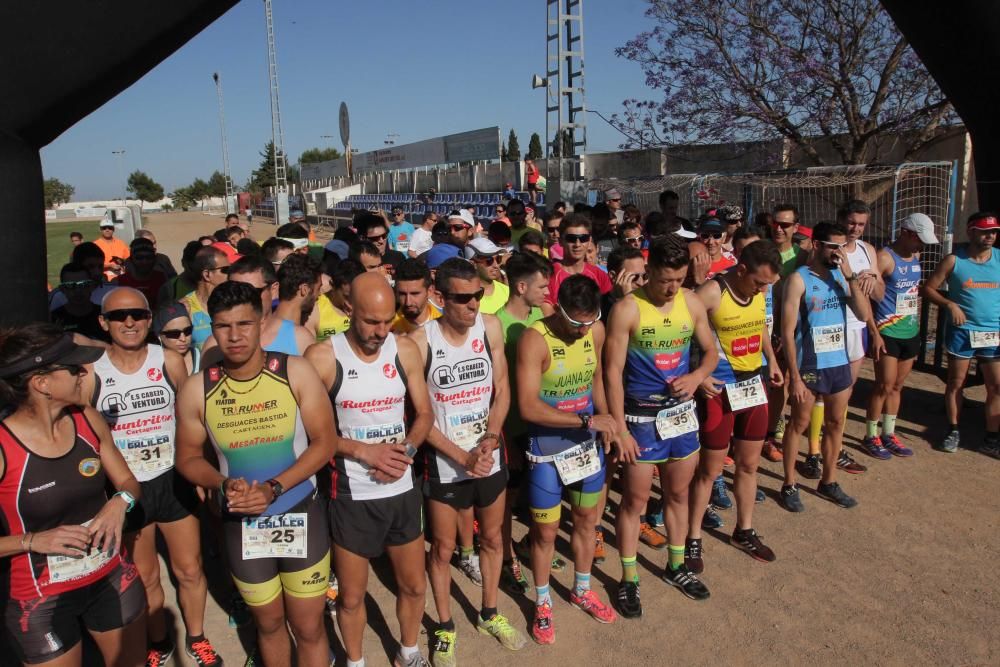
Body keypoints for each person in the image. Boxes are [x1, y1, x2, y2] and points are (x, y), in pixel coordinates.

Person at [175, 281, 338, 667]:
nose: (234, 336)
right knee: (268, 626)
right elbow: (187, 458)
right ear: (210, 327)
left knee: (310, 627)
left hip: (300, 512)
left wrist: (274, 487)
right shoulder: (198, 389)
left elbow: (325, 443)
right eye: (222, 326)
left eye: (244, 324)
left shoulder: (295, 372)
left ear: (262, 320)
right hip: (242, 523)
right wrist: (221, 483)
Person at [304, 273, 434, 667]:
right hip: (351, 494)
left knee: (413, 585)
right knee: (352, 596)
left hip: (401, 490)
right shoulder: (323, 357)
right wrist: (364, 451)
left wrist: (407, 448)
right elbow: (314, 434)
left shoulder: (405, 349)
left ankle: (408, 653)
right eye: (370, 322)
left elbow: (425, 413)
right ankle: (356, 661)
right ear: (349, 311)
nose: (381, 331)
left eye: (386, 320)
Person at [0, 324, 145, 667]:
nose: (85, 373)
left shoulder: (87, 419)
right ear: (42, 383)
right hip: (41, 599)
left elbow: (128, 482)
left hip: (110, 576)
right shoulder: (4, 448)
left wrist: (119, 503)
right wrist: (32, 541)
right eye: (74, 367)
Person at [90, 288, 220, 667]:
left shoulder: (168, 360)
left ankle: (196, 637)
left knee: (189, 568)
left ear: (149, 320)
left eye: (136, 314)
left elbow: (192, 418)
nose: (128, 322)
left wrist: (200, 468)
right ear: (104, 323)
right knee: (146, 577)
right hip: (128, 487)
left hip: (171, 478)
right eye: (118, 316)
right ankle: (159, 642)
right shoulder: (91, 371)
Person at [406, 258, 526, 664]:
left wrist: (491, 439)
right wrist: (461, 455)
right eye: (462, 298)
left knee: (492, 539)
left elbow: (503, 389)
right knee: (442, 548)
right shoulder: (421, 342)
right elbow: (418, 415)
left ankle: (489, 612)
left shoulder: (489, 326)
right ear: (440, 298)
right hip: (445, 460)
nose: (472, 305)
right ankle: (444, 625)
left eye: (477, 295)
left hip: (487, 454)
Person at [604, 237, 718, 614]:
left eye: (680, 279)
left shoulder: (692, 300)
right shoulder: (626, 309)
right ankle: (629, 577)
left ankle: (675, 565)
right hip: (640, 417)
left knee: (679, 495)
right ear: (649, 272)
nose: (672, 288)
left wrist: (697, 374)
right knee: (635, 501)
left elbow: (711, 350)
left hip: (680, 415)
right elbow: (612, 372)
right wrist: (619, 428)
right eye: (665, 280)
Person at [518, 275, 619, 643]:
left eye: (589, 321)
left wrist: (607, 421)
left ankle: (581, 588)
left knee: (587, 522)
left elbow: (595, 381)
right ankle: (542, 601)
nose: (582, 330)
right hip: (546, 452)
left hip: (586, 447)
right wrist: (587, 420)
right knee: (545, 533)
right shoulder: (534, 339)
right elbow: (528, 406)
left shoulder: (595, 330)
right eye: (576, 322)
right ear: (558, 308)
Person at [686, 241, 782, 578]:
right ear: (742, 270)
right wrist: (697, 377)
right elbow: (683, 334)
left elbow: (761, 326)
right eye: (759, 282)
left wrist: (771, 360)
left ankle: (744, 530)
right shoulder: (712, 293)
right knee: (709, 472)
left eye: (768, 284)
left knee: (749, 464)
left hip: (753, 385)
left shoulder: (758, 290)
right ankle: (693, 537)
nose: (763, 289)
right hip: (720, 390)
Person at [779, 222, 873, 511]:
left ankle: (829, 480)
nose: (838, 252)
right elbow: (787, 331)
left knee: (835, 423)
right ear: (817, 245)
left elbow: (863, 313)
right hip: (809, 364)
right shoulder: (799, 279)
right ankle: (789, 483)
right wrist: (793, 376)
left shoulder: (842, 277)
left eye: (842, 247)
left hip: (838, 362)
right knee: (799, 424)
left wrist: (851, 278)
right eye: (833, 246)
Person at [495, 252, 552, 594]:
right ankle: (505, 556)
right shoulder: (494, 325)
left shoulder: (545, 315)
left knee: (540, 491)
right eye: (542, 285)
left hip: (542, 424)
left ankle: (532, 543)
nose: (548, 291)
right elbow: (492, 390)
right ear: (520, 286)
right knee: (508, 496)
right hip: (510, 428)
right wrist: (501, 438)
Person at [923, 211, 1000, 456]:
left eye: (994, 231)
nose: (990, 236)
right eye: (985, 231)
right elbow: (928, 289)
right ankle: (953, 429)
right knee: (956, 383)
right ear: (971, 231)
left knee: (996, 387)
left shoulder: (999, 259)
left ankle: (991, 438)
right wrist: (949, 304)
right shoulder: (954, 260)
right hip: (962, 332)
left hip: (992, 332)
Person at [862, 213, 938, 458]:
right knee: (883, 386)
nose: (922, 245)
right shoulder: (884, 258)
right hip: (887, 331)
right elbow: (867, 296)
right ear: (906, 232)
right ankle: (870, 435)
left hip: (910, 330)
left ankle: (888, 433)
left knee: (897, 386)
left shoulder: (916, 255)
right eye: (919, 239)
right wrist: (874, 332)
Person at [544, 214, 613, 312]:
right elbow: (547, 315)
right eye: (571, 239)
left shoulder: (600, 275)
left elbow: (607, 311)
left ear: (589, 241)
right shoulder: (549, 276)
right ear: (560, 241)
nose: (577, 244)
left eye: (583, 238)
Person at [179, 246, 230, 350]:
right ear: (207, 275)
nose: (230, 274)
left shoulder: (233, 302)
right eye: (225, 270)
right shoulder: (184, 307)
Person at [50, 262, 108, 342]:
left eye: (83, 284)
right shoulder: (53, 321)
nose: (78, 291)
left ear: (91, 287)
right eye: (70, 285)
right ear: (62, 289)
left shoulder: (106, 316)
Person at [116, 237, 168, 311]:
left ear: (155, 259)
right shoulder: (120, 282)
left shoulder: (161, 279)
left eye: (148, 257)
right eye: (139, 258)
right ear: (131, 260)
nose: (144, 262)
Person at [392, 259, 441, 334]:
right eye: (402, 294)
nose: (408, 302)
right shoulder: (389, 330)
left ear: (430, 291)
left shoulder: (445, 326)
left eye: (415, 294)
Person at [464, 238, 510, 315]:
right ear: (473, 264)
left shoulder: (508, 292)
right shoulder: (464, 297)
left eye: (498, 259)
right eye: (489, 261)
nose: (496, 265)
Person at [155, 302, 197, 374]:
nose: (183, 339)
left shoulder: (202, 357)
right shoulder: (152, 363)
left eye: (187, 331)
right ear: (159, 335)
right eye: (174, 334)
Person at [159, 241, 203, 306]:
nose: (196, 271)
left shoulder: (211, 284)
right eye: (191, 268)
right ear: (183, 263)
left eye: (199, 266)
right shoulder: (170, 288)